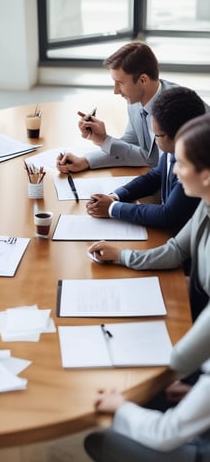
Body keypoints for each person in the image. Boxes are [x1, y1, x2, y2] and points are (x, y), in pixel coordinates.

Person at [84, 113, 210, 460]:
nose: (172, 170)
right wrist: (121, 254)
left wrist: (120, 406)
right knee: (160, 389)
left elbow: (165, 433)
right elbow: (176, 250)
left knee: (99, 440)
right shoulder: (205, 205)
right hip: (200, 359)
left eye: (181, 163)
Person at [56, 41, 209, 173]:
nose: (116, 91)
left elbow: (152, 160)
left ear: (143, 80)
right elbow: (135, 147)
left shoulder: (175, 110)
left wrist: (104, 141)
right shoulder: (136, 102)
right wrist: (87, 159)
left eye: (120, 83)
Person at [85, 86, 205, 236]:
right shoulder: (172, 150)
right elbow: (155, 175)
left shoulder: (194, 167)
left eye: (157, 135)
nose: (154, 139)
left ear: (178, 136)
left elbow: (168, 215)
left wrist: (113, 208)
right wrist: (116, 196)